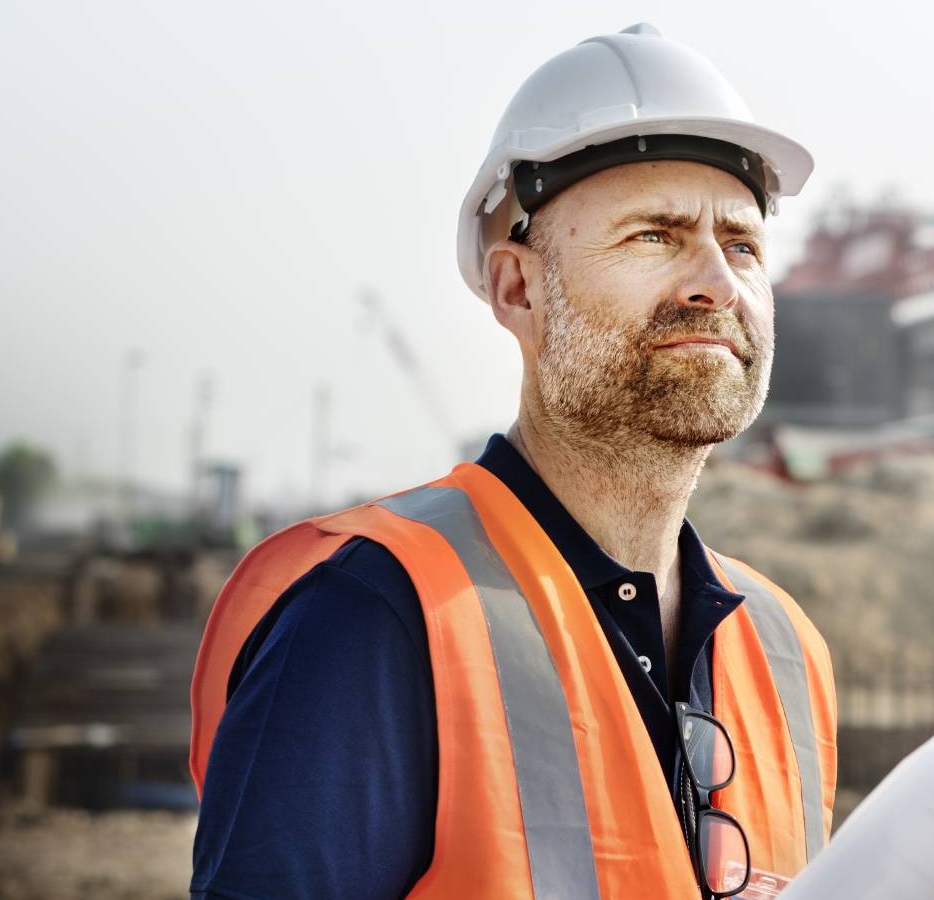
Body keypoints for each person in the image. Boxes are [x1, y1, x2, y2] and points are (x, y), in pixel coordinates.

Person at [189, 24, 836, 900]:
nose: (717, 283)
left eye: (745, 244)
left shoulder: (787, 651)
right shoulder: (377, 618)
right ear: (518, 289)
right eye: (654, 235)